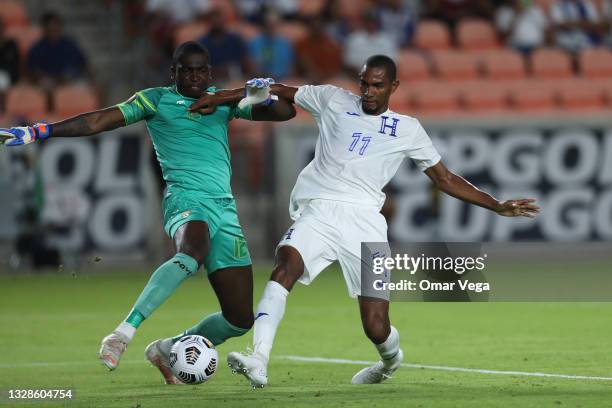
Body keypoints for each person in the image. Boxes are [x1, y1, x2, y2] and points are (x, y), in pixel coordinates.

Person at [190, 55, 540, 388]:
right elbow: (279, 90)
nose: (368, 92)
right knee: (285, 268)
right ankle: (259, 358)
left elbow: (444, 179)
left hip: (365, 224)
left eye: (377, 85)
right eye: (364, 84)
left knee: (375, 327)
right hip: (320, 211)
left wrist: (496, 205)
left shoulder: (408, 129)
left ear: (393, 86)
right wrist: (222, 96)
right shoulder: (333, 99)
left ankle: (389, 362)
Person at [0, 41, 296, 384]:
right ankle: (122, 333)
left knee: (240, 319)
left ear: (210, 73)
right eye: (188, 70)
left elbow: (285, 114)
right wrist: (41, 130)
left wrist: (264, 96)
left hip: (224, 209)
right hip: (185, 199)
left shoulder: (221, 102)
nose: (196, 76)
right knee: (191, 253)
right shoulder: (154, 100)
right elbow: (98, 120)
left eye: (203, 70)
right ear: (174, 72)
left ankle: (167, 349)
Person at [26, 12, 88, 88]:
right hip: (48, 81)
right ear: (44, 28)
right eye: (49, 27)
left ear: (60, 26)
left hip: (70, 79)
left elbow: (81, 64)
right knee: (44, 85)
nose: (53, 29)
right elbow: (33, 70)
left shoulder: (70, 45)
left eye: (55, 26)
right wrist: (53, 79)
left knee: (83, 86)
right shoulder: (36, 48)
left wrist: (70, 75)